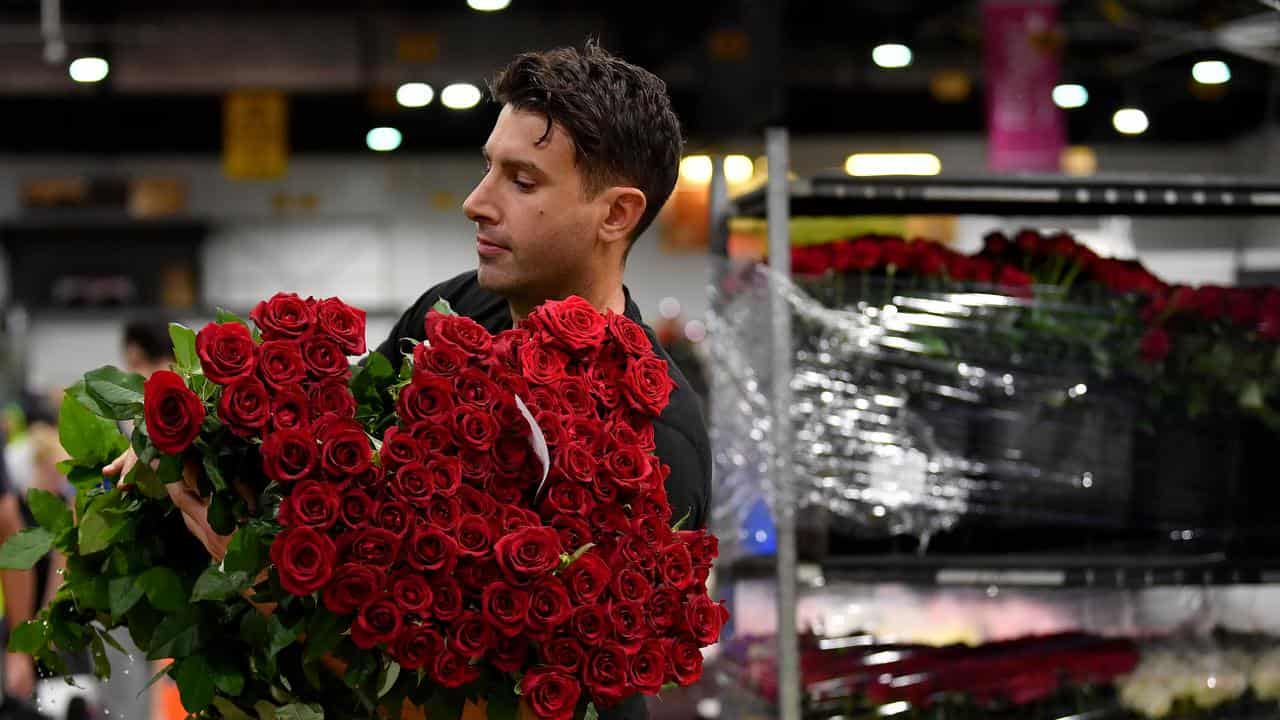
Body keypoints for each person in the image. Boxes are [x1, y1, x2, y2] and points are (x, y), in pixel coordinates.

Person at [108, 42, 710, 720]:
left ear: (616, 214)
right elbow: (343, 476)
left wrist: (278, 598)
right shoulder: (456, 311)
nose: (475, 202)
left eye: (523, 180)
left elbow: (510, 703)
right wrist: (200, 439)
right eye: (488, 168)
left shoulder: (656, 444)